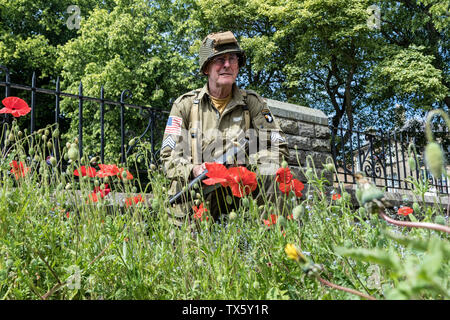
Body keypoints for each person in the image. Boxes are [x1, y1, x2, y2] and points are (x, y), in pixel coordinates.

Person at [161, 31, 289, 225]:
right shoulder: (184, 105)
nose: (227, 65)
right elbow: (167, 156)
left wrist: (243, 166)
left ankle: (268, 242)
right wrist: (194, 169)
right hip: (199, 195)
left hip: (241, 194)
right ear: (206, 68)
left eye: (232, 59)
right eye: (220, 59)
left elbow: (278, 147)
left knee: (272, 169)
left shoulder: (253, 103)